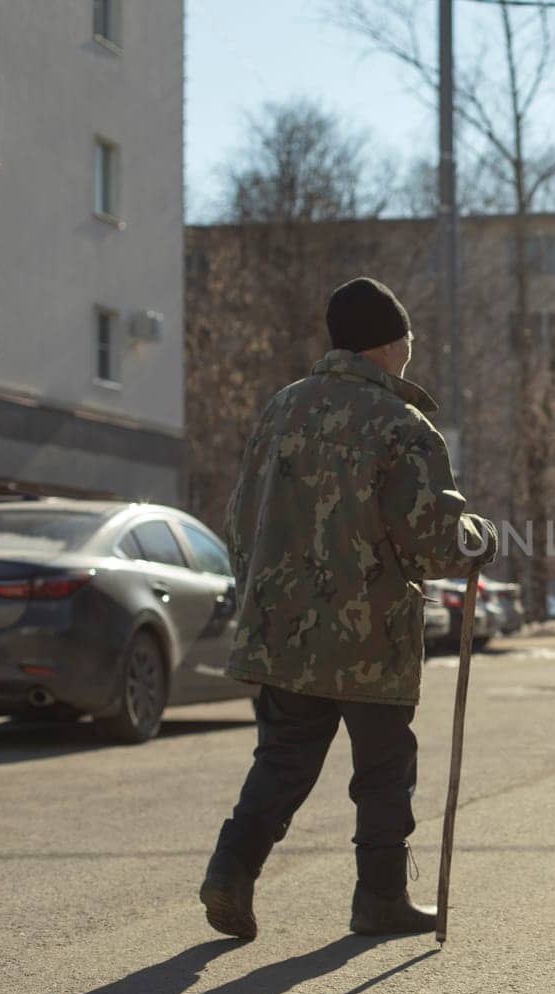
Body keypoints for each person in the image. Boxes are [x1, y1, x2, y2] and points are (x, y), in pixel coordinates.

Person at [200, 276, 497, 940]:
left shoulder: (283, 409)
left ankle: (232, 866)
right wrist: (479, 539)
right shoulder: (400, 424)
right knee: (384, 769)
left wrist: (267, 592)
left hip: (286, 631)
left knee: (283, 757)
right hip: (372, 634)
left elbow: (240, 516)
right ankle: (379, 898)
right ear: (391, 345)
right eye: (408, 342)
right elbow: (433, 538)